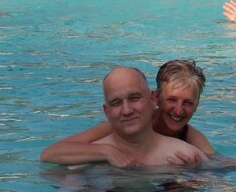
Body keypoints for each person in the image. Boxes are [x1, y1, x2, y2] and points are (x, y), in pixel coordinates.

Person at [40, 65, 208, 168]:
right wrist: (107, 152)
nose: (178, 111)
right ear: (156, 99)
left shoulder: (191, 138)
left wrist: (197, 169)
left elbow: (217, 166)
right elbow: (51, 154)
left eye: (188, 103)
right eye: (172, 100)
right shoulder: (123, 122)